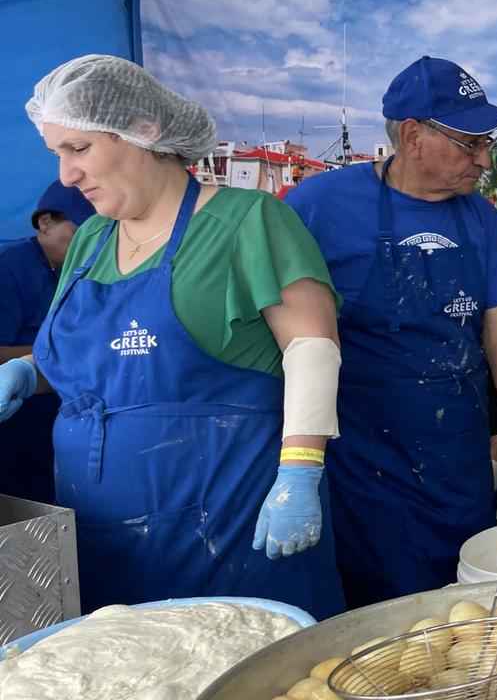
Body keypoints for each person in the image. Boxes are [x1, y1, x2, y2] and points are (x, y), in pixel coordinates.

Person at [0, 54, 345, 619]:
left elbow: (312, 350)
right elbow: (97, 359)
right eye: (57, 154)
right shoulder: (88, 241)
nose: (66, 176)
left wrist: (300, 472)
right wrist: (31, 374)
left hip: (226, 531)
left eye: (79, 150)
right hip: (102, 536)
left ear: (144, 129)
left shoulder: (247, 220)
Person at [285, 55, 497, 607]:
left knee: (464, 600)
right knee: (380, 609)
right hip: (363, 451)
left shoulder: (482, 218)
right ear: (411, 135)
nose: (485, 158)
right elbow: (280, 332)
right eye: (470, 143)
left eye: (488, 141)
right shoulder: (317, 206)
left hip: (457, 448)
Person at [0, 180, 95, 502]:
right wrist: (62, 351)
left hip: (69, 420)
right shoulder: (10, 269)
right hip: (20, 423)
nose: (90, 241)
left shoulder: (83, 272)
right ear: (45, 223)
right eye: (81, 230)